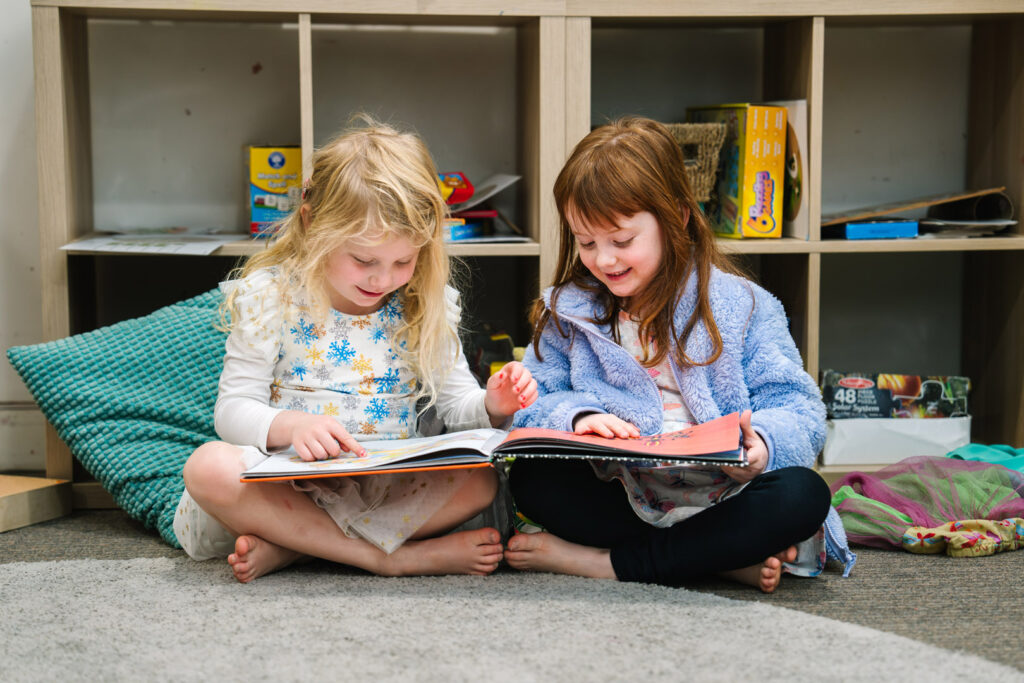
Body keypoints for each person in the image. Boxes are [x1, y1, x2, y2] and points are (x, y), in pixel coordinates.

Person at [174, 118, 538, 583]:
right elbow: (232, 410)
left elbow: (456, 405)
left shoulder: (425, 304)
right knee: (206, 466)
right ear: (312, 225)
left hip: (381, 487)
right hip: (287, 486)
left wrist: (493, 404)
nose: (382, 279)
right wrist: (290, 426)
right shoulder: (271, 298)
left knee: (481, 481)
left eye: (403, 261)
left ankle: (298, 548)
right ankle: (384, 557)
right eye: (363, 260)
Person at [504, 116, 854, 592]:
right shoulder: (569, 311)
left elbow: (801, 408)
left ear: (678, 218)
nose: (604, 260)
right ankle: (717, 560)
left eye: (622, 241)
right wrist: (577, 416)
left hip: (727, 492)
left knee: (803, 494)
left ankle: (610, 564)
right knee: (531, 478)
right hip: (625, 490)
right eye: (586, 242)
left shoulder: (742, 305)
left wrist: (763, 446)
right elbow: (536, 401)